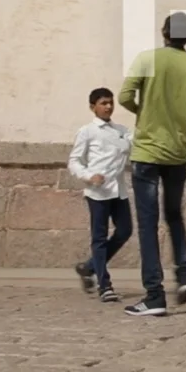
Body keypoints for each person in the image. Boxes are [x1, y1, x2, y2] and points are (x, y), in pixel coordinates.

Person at [118, 12, 186, 317]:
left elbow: (124, 96)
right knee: (174, 216)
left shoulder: (147, 59)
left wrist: (145, 111)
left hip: (147, 151)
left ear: (164, 32)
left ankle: (154, 295)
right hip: (177, 152)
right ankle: (183, 277)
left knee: (147, 223)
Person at [69, 87, 134, 303]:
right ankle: (104, 284)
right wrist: (89, 176)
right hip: (97, 192)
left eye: (110, 103)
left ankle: (89, 267)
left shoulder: (122, 130)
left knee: (125, 231)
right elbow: (74, 161)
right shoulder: (87, 131)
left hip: (119, 191)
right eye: (103, 103)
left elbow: (137, 143)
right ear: (93, 106)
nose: (108, 107)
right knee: (99, 237)